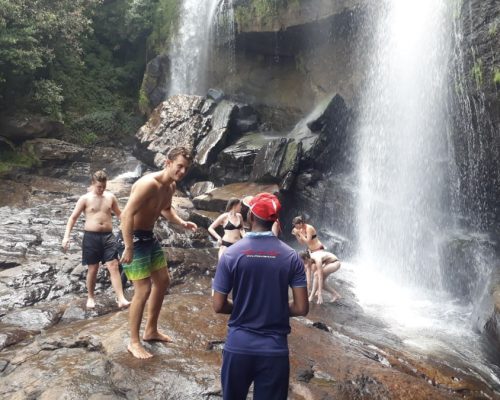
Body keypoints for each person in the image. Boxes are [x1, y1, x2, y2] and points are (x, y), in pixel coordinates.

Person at [213, 193, 309, 400]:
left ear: (250, 218)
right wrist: (274, 309)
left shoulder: (231, 254)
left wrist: (241, 307)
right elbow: (302, 308)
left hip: (238, 347)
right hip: (274, 350)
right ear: (275, 220)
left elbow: (218, 305)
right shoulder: (291, 257)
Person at [119, 146, 198, 359]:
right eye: (179, 166)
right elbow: (126, 214)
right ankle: (133, 342)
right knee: (143, 289)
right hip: (132, 238)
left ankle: (151, 330)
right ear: (168, 163)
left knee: (163, 281)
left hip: (148, 236)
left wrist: (182, 222)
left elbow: (165, 209)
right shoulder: (148, 184)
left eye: (186, 169)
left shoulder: (170, 187)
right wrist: (128, 246)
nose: (182, 172)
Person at [62, 170, 129, 309]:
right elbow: (72, 218)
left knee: (114, 265)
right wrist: (66, 236)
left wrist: (129, 228)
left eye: (103, 186)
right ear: (93, 184)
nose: (101, 189)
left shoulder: (110, 197)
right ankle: (91, 297)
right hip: (91, 237)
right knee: (93, 268)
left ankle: (121, 298)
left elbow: (120, 215)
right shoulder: (85, 199)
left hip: (108, 236)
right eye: (99, 186)